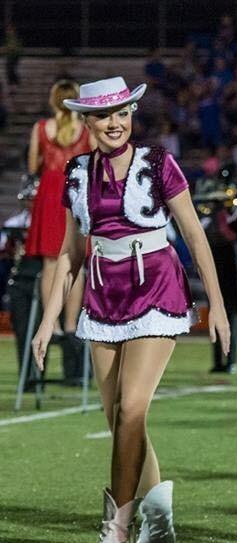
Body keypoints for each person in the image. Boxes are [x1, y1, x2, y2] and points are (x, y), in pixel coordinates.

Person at [31, 77, 231, 543]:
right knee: (116, 414)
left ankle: (116, 529)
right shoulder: (77, 173)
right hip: (103, 295)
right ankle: (159, 520)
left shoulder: (159, 163)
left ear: (132, 115)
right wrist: (48, 319)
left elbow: (195, 238)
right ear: (88, 121)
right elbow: (69, 254)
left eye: (123, 113)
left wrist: (219, 307)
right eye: (104, 116)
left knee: (131, 409)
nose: (115, 123)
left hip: (157, 287)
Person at [25, 80, 94, 383]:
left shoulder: (41, 128)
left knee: (51, 263)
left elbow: (32, 165)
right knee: (75, 264)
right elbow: (95, 162)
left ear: (53, 101)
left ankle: (50, 325)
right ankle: (69, 325)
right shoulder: (85, 129)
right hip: (75, 193)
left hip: (50, 194)